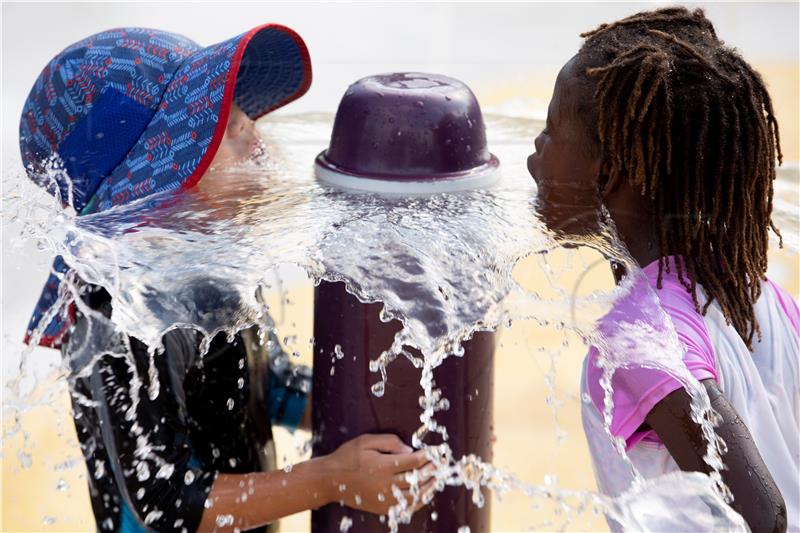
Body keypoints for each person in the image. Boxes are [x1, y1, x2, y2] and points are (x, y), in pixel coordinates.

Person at [20, 26, 432, 532]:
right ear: (157, 186)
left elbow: (271, 388)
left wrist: (401, 413)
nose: (255, 136)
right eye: (225, 129)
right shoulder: (114, 314)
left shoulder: (212, 262)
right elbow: (161, 500)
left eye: (242, 118)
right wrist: (330, 479)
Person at [526, 7, 796, 532]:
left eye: (551, 130)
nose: (537, 149)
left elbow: (763, 514)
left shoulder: (638, 330)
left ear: (607, 173)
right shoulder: (760, 296)